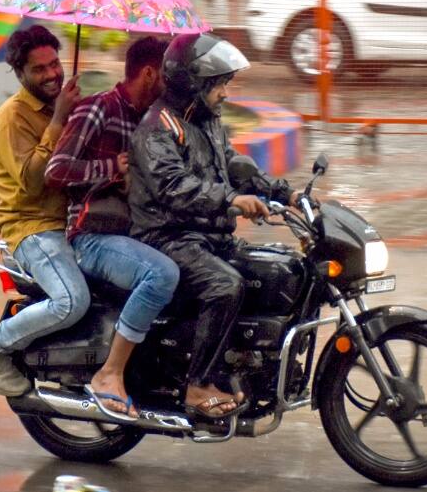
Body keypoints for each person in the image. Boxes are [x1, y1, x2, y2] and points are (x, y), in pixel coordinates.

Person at [128, 33, 299, 419]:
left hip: (207, 235)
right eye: (219, 84)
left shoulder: (206, 121)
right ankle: (197, 384)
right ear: (194, 82)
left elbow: (232, 164)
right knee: (224, 285)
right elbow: (174, 188)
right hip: (167, 237)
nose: (225, 93)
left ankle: (245, 367)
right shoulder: (157, 128)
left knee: (277, 269)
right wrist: (230, 200)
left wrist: (283, 192)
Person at [45, 37, 179, 419]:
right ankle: (109, 374)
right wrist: (110, 170)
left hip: (134, 233)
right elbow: (55, 171)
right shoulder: (99, 109)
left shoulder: (150, 118)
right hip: (93, 237)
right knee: (161, 274)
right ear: (150, 73)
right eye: (167, 75)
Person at [0, 25, 85, 398]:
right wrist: (57, 122)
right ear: (19, 74)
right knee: (71, 302)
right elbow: (33, 183)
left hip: (77, 223)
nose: (52, 74)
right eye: (39, 69)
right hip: (34, 229)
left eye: (55, 64)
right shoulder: (10, 118)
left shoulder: (68, 104)